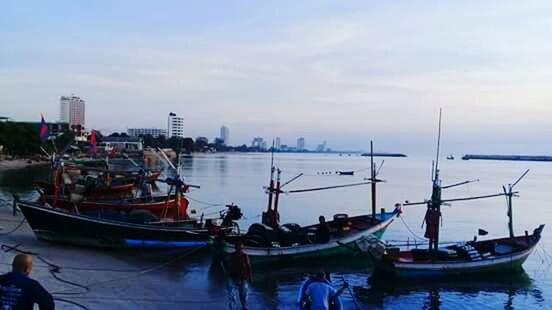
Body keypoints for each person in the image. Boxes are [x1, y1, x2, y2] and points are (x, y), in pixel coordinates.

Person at [229, 241, 251, 310]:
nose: (240, 249)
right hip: (233, 278)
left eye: (241, 248)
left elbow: (249, 267)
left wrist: (250, 277)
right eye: (238, 248)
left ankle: (245, 308)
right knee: (232, 295)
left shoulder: (245, 256)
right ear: (235, 248)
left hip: (243, 278)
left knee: (244, 295)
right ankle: (233, 308)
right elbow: (228, 265)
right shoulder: (232, 255)